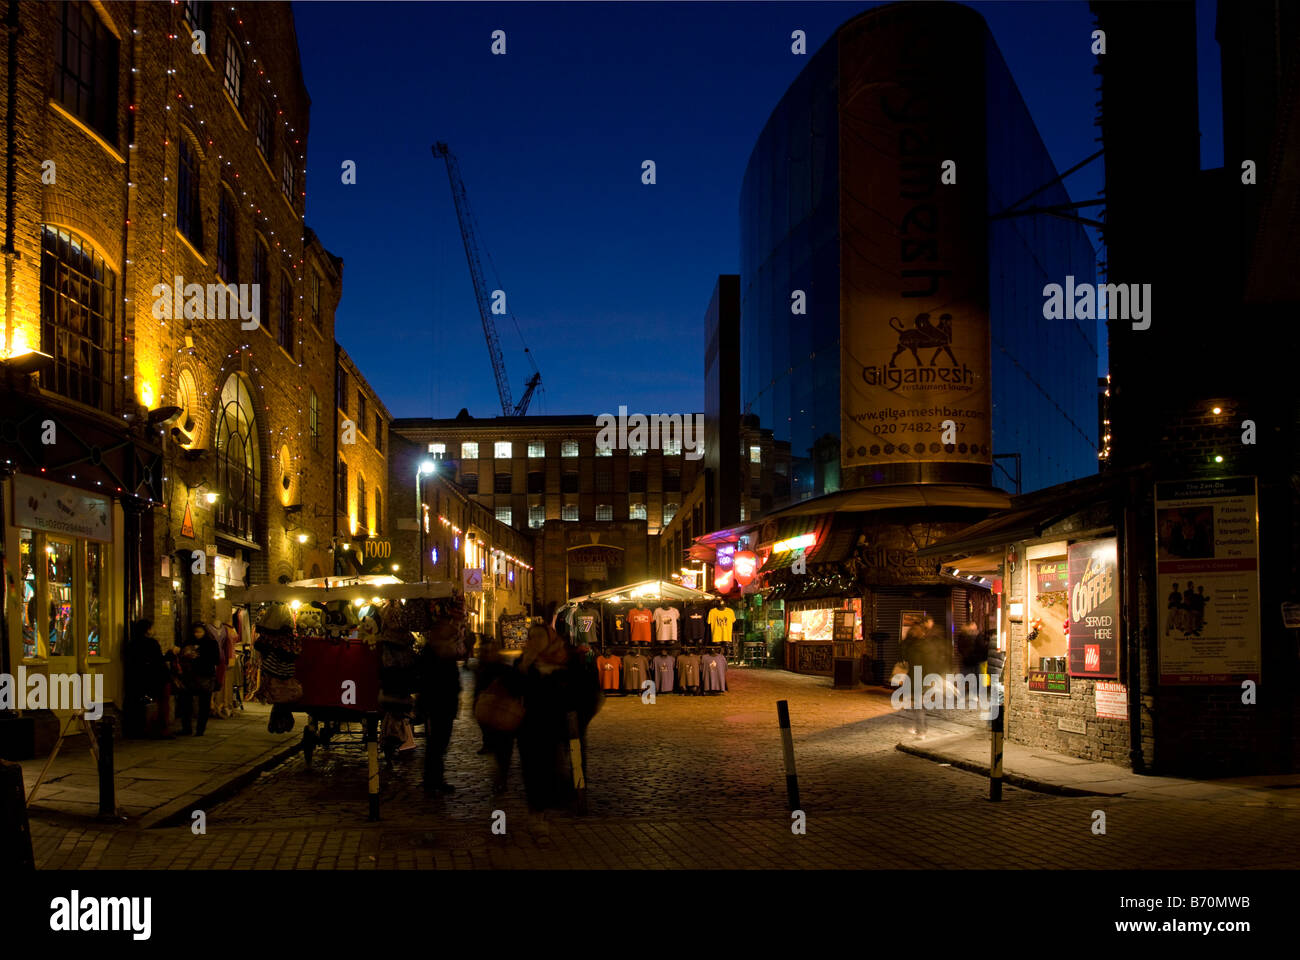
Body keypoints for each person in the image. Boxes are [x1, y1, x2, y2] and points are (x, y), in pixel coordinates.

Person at [516, 623, 575, 840]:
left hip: (555, 727)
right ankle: (537, 816)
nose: (535, 641)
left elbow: (575, 693)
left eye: (540, 636)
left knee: (554, 771)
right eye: (532, 637)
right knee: (532, 773)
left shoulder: (563, 660)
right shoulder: (523, 661)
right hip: (529, 728)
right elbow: (513, 689)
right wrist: (524, 667)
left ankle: (547, 809)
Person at [415, 613, 463, 795]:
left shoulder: (443, 650)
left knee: (439, 743)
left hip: (445, 703)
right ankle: (432, 780)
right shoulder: (432, 652)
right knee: (436, 744)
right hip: (436, 704)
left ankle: (435, 778)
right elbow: (428, 679)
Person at [474, 638, 521, 794]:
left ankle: (502, 776)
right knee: (499, 746)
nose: (487, 654)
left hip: (504, 713)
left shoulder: (504, 668)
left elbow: (515, 688)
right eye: (485, 651)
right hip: (489, 713)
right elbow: (477, 692)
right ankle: (501, 773)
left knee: (504, 747)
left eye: (490, 651)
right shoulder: (481, 670)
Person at [124, 619, 172, 739]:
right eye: (151, 628)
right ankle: (160, 729)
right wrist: (170, 655)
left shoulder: (131, 644)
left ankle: (141, 728)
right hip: (156, 678)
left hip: (138, 679)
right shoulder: (151, 643)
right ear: (147, 630)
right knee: (161, 704)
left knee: (143, 704)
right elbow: (158, 660)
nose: (153, 630)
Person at [175, 622, 220, 736]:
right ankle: (186, 728)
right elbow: (181, 657)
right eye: (195, 632)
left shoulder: (211, 643)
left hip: (205, 676)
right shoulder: (188, 642)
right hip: (189, 677)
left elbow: (216, 659)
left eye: (199, 632)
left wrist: (199, 658)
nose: (197, 634)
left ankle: (200, 729)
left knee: (204, 704)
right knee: (186, 703)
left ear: (205, 632)